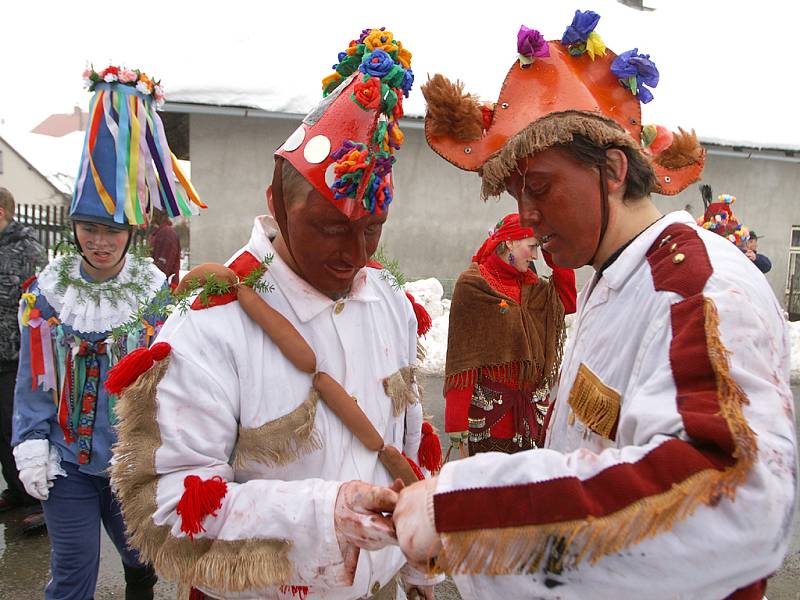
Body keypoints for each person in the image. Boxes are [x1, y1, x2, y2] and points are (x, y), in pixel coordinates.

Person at [394, 11, 796, 599]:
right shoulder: (613, 277)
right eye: (515, 194)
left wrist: (465, 508)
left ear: (611, 170)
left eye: (540, 187)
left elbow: (733, 493)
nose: (525, 216)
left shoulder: (693, 286)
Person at [109, 29, 442, 600]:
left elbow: (405, 441)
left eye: (372, 231)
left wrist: (415, 567)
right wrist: (323, 515)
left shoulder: (388, 299)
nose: (354, 255)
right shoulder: (211, 321)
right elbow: (166, 506)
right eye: (331, 227)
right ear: (275, 203)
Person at [12, 64, 205, 600]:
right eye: (90, 228)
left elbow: (178, 374)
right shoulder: (46, 296)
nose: (99, 242)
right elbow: (33, 382)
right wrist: (30, 441)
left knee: (139, 560)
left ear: (130, 233)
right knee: (73, 574)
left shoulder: (153, 295)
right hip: (67, 461)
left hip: (132, 462)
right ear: (74, 228)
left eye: (111, 230)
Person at [444, 213, 576, 455]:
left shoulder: (536, 289)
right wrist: (456, 421)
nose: (536, 256)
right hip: (492, 422)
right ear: (509, 243)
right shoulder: (473, 286)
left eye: (539, 248)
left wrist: (552, 251)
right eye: (533, 247)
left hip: (532, 420)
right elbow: (462, 358)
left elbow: (568, 301)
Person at [0, 187, 47, 531]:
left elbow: (38, 307)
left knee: (17, 427)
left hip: (15, 356)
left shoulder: (27, 250)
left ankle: (40, 499)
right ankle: (17, 491)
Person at [147, 209, 181, 284]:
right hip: (158, 286)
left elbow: (164, 267)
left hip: (163, 288)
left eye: (149, 212)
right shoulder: (158, 232)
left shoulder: (166, 233)